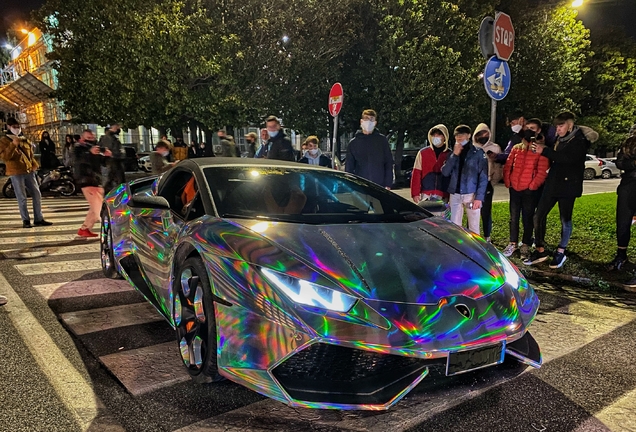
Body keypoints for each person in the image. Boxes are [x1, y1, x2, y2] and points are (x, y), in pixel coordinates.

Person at [525, 111, 592, 268]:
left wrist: (545, 151)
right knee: (538, 216)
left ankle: (561, 251)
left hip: (568, 186)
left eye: (560, 126)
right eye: (556, 126)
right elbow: (556, 156)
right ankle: (540, 250)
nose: (558, 130)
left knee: (565, 219)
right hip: (553, 184)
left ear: (569, 125)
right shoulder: (559, 139)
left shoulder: (579, 140)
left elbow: (567, 159)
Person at [502, 119, 550, 259]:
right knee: (514, 217)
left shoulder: (541, 149)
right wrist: (508, 180)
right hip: (514, 188)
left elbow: (542, 171)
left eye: (532, 128)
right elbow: (508, 165)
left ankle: (526, 244)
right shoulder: (517, 147)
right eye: (527, 128)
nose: (529, 131)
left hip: (529, 190)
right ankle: (513, 242)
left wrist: (532, 185)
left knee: (527, 218)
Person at [0, 118, 53, 228]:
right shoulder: (4, 141)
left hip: (29, 170)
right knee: (22, 196)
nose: (17, 129)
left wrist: (34, 165)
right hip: (15, 171)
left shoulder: (24, 139)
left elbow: (29, 155)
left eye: (18, 127)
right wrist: (13, 144)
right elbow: (5, 157)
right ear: (9, 127)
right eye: (14, 127)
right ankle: (26, 220)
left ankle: (38, 218)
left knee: (37, 194)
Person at [441, 125, 488, 235]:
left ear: (469, 135)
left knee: (474, 227)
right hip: (455, 194)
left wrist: (479, 198)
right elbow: (445, 172)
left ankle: (475, 250)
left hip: (471, 194)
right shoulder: (452, 154)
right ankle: (457, 248)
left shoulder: (478, 153)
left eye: (462, 135)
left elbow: (483, 177)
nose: (459, 137)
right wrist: (454, 155)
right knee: (455, 227)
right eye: (457, 135)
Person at [607, 133, 636, 287]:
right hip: (627, 187)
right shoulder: (629, 142)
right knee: (623, 224)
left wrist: (630, 162)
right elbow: (620, 162)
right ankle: (621, 255)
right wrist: (633, 163)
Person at [74, 129, 111, 237]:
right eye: (88, 138)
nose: (91, 140)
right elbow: (78, 160)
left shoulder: (96, 148)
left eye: (92, 138)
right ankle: (110, 231)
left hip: (97, 179)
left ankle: (85, 228)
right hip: (86, 179)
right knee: (99, 207)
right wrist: (90, 153)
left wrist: (107, 156)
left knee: (95, 207)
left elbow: (102, 163)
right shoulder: (78, 148)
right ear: (82, 138)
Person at [345, 109, 394, 189]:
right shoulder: (354, 143)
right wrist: (351, 185)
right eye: (366, 118)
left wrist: (388, 183)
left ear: (375, 123)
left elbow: (388, 162)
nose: (368, 122)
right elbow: (349, 167)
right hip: (360, 187)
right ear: (361, 122)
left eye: (371, 119)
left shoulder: (382, 141)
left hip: (380, 186)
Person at [472, 123, 502, 242]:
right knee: (472, 211)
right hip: (473, 185)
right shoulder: (471, 148)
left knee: (486, 212)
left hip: (487, 184)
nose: (483, 136)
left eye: (486, 134)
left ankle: (487, 237)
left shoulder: (495, 148)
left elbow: (498, 168)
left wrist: (492, 181)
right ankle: (472, 235)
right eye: (480, 134)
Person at [410, 124, 451, 202]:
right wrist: (415, 193)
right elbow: (416, 173)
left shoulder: (450, 154)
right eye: (434, 135)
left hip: (444, 193)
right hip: (426, 193)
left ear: (445, 137)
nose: (436, 137)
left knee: (442, 214)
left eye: (439, 135)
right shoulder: (423, 153)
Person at [99, 123, 125, 192]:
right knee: (113, 180)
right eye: (116, 127)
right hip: (112, 161)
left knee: (112, 179)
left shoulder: (113, 138)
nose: (118, 128)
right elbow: (107, 150)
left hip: (114, 161)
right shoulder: (108, 138)